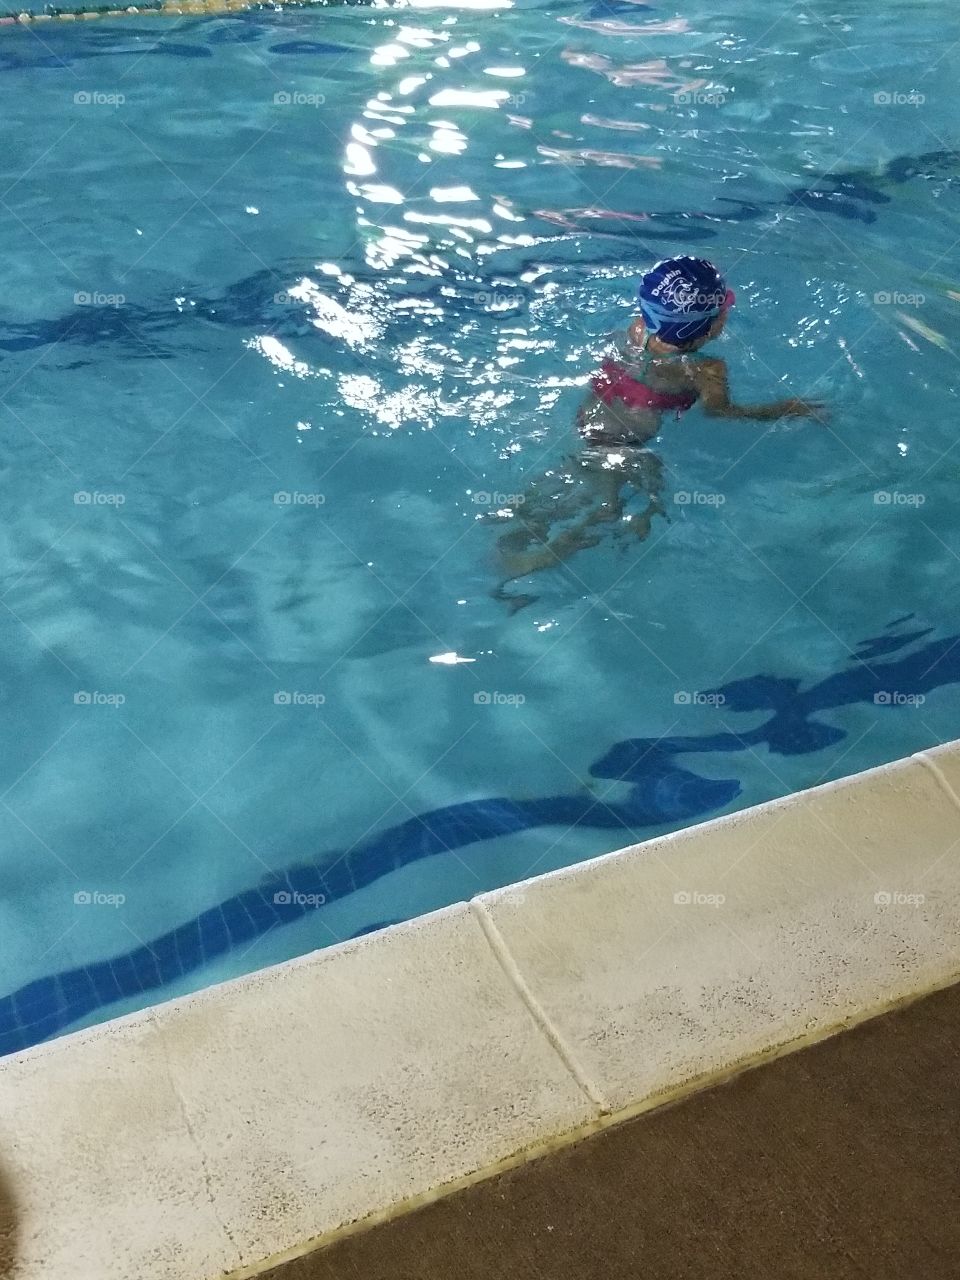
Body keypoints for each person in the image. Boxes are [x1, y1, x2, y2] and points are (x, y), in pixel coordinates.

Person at [492, 256, 826, 610]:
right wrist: (782, 410)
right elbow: (718, 412)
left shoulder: (636, 330)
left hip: (588, 423)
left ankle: (508, 549)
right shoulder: (706, 369)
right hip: (628, 449)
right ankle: (529, 568)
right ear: (711, 328)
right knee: (607, 512)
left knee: (560, 495)